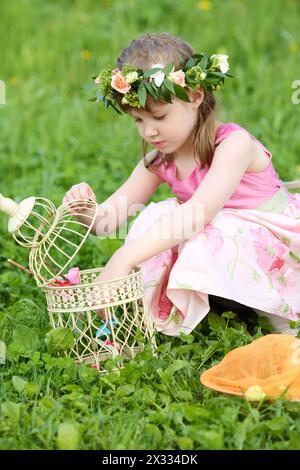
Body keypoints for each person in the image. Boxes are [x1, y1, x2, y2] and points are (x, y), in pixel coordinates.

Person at [63, 32, 300, 337]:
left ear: (196, 97)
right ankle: (212, 310)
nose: (149, 130)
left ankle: (286, 319)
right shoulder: (161, 160)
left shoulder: (233, 144)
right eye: (138, 120)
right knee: (158, 218)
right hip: (235, 255)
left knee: (201, 225)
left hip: (282, 249)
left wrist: (124, 257)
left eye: (159, 116)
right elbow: (109, 222)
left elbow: (198, 214)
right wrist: (86, 211)